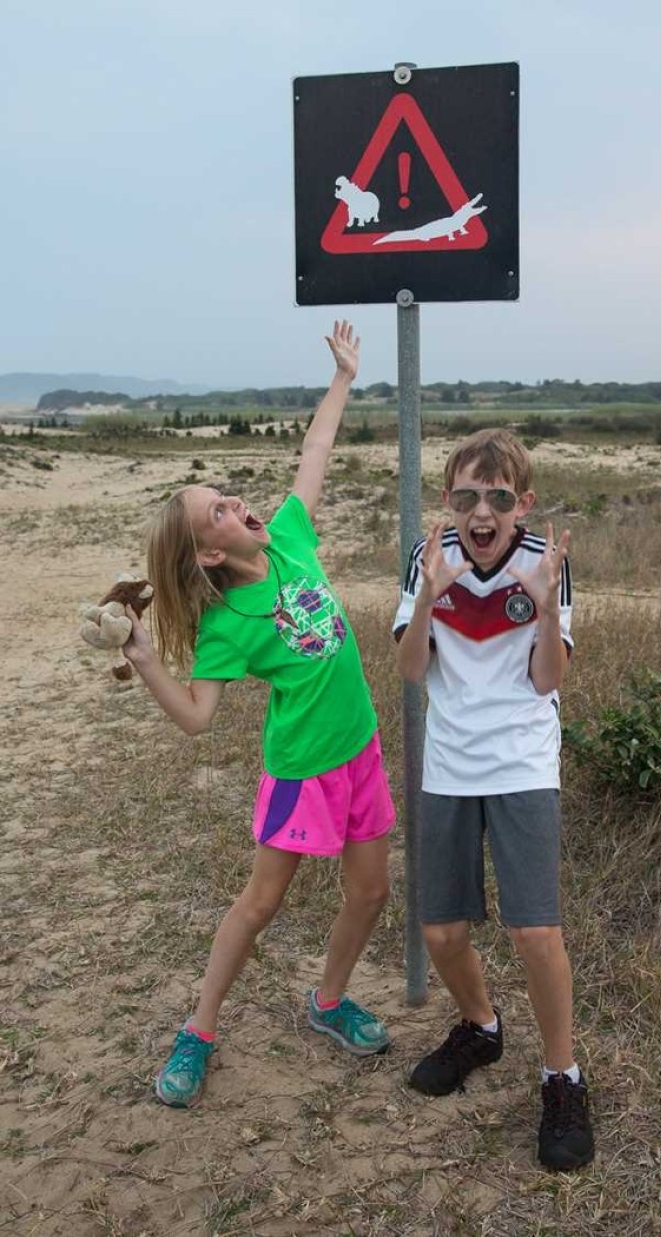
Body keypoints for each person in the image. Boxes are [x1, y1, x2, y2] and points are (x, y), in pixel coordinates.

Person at [123, 321, 395, 1108]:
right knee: (261, 903)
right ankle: (198, 1029)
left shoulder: (286, 539)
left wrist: (343, 378)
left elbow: (313, 456)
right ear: (208, 553)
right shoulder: (225, 625)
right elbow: (199, 717)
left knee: (371, 892)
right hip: (299, 770)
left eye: (226, 496)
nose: (235, 503)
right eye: (217, 511)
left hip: (360, 752)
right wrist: (146, 661)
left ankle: (328, 999)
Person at [393, 427, 594, 1171]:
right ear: (448, 500)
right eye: (467, 496)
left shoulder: (545, 562)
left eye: (499, 498)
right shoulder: (430, 556)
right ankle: (480, 1025)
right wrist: (428, 599)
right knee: (441, 931)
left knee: (534, 932)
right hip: (448, 765)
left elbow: (547, 680)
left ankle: (561, 1076)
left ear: (523, 504)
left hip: (521, 762)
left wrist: (543, 609)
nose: (483, 512)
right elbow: (413, 671)